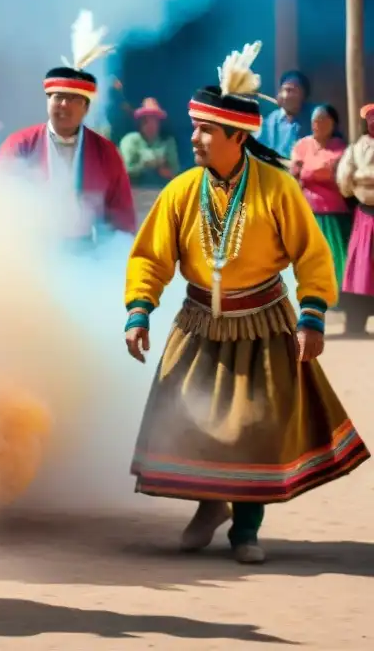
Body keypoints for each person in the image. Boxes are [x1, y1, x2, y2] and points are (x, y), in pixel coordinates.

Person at [124, 42, 369, 565]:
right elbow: (151, 255)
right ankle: (210, 506)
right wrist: (140, 309)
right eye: (194, 129)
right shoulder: (182, 190)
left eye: (205, 130)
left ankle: (246, 531)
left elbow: (312, 256)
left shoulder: (278, 188)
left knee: (254, 427)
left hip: (263, 324)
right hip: (197, 323)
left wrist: (312, 316)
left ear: (238, 137)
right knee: (192, 421)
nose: (194, 138)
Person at [0, 10, 136, 239]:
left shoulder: (106, 153)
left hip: (89, 252)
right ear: (47, 100)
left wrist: (116, 254)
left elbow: (122, 216)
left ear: (86, 108)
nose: (63, 105)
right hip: (30, 251)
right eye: (57, 97)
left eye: (73, 99)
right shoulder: (20, 144)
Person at [290, 104, 351, 292]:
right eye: (315, 120)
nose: (318, 124)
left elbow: (338, 175)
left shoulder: (341, 148)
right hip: (308, 211)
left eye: (323, 120)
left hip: (333, 212)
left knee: (334, 254)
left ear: (333, 123)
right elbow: (294, 172)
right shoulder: (302, 145)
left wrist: (311, 171)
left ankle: (335, 293)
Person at [337, 103, 374, 336]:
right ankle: (355, 325)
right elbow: (344, 179)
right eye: (371, 118)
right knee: (361, 269)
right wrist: (361, 182)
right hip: (365, 213)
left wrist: (364, 177)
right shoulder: (356, 148)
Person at [119, 98, 180, 188]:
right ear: (140, 122)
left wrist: (164, 170)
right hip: (134, 191)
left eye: (154, 120)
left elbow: (176, 171)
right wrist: (143, 165)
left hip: (161, 191)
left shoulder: (168, 142)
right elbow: (123, 171)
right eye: (146, 120)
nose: (151, 124)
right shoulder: (129, 141)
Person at [258, 70, 313, 158]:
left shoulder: (314, 120)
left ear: (304, 94)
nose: (287, 96)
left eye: (293, 91)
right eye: (285, 90)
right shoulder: (269, 122)